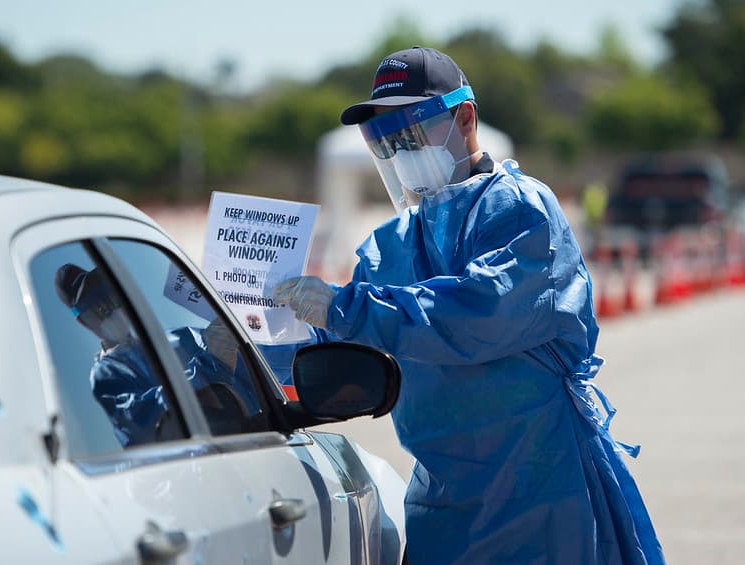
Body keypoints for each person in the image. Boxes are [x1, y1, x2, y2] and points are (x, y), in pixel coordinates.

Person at [273, 46, 665, 564]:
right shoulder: (393, 242)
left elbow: (481, 313)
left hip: (537, 491)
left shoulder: (521, 209)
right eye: (386, 141)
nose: (399, 150)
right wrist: (254, 333)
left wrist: (344, 307)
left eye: (411, 131)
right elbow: (338, 339)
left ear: (465, 117)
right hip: (443, 498)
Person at [55, 263, 253, 446]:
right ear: (83, 322)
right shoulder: (108, 374)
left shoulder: (182, 338)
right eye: (99, 309)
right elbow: (144, 421)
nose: (113, 311)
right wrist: (211, 365)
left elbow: (254, 367)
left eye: (112, 298)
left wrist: (262, 319)